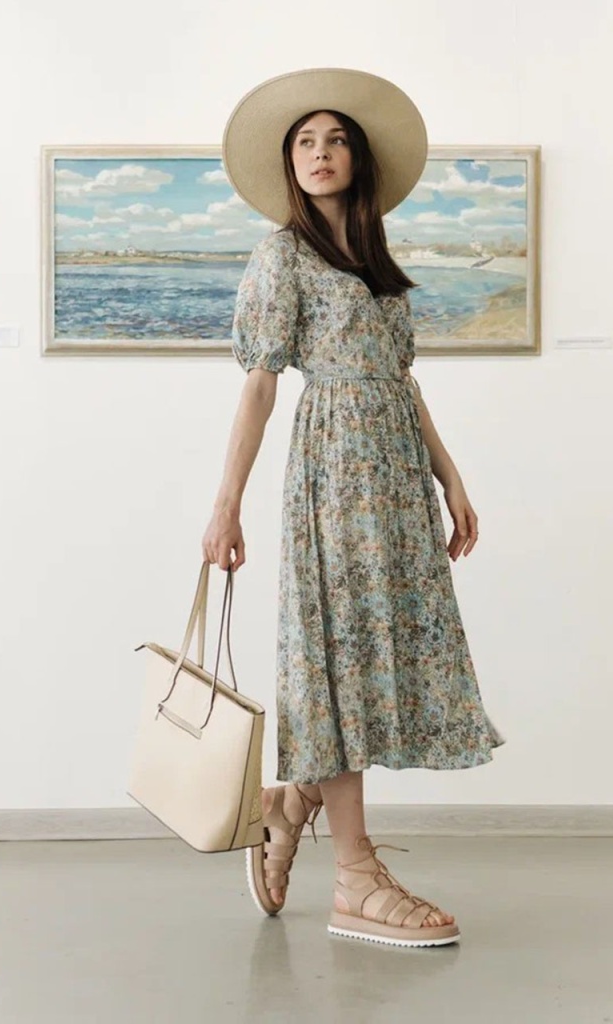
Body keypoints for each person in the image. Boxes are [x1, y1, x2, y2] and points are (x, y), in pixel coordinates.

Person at [202, 68, 506, 948]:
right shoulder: (281, 257)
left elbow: (402, 381)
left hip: (397, 479)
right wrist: (226, 506)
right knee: (338, 653)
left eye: (336, 140)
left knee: (379, 653)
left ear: (358, 158)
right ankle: (356, 874)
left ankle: (293, 801)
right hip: (333, 475)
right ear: (289, 163)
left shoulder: (374, 262)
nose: (321, 153)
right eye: (305, 141)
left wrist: (449, 477)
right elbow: (260, 385)